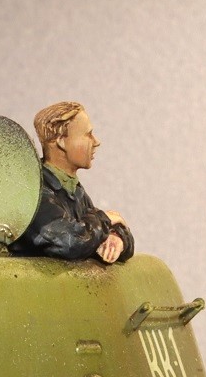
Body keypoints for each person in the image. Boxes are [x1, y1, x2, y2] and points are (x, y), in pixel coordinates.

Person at [19, 101, 135, 263]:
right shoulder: (34, 193)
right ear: (61, 141)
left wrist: (116, 237)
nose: (96, 142)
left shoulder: (74, 191)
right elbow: (70, 242)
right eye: (88, 134)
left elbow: (91, 229)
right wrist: (104, 220)